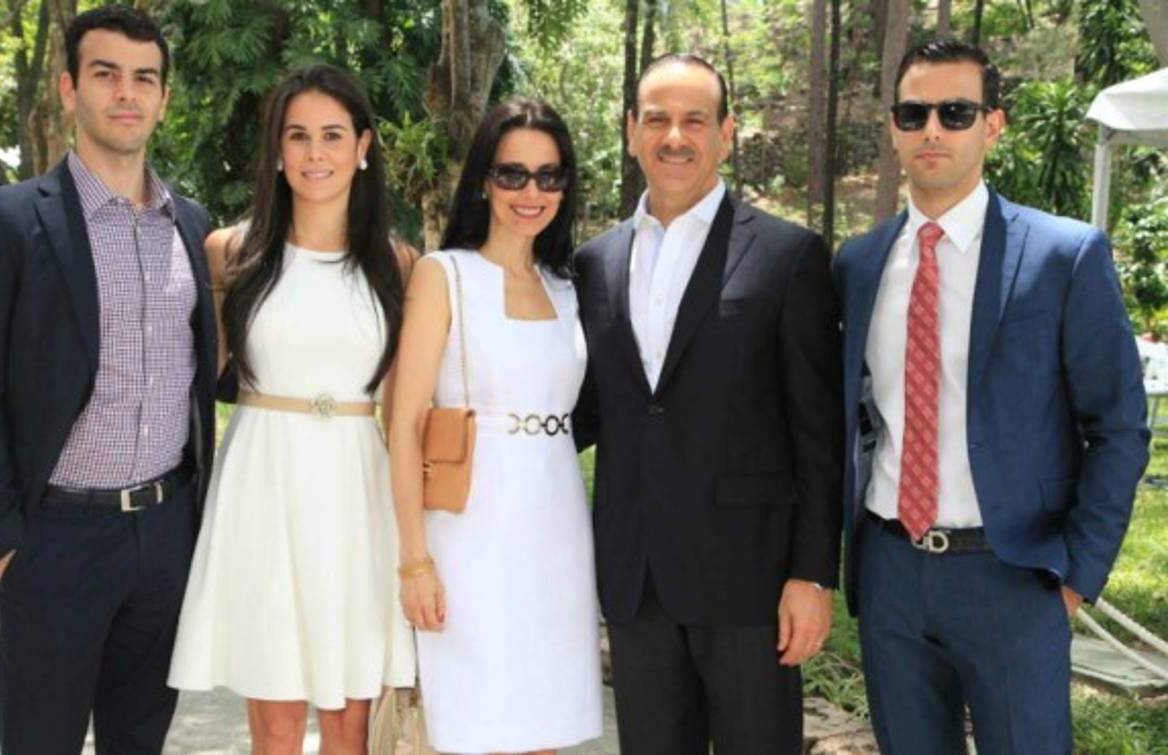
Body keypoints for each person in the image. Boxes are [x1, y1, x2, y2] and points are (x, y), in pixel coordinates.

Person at [835, 39, 1150, 754]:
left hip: (1014, 575)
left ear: (993, 125)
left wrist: (1076, 574)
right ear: (893, 126)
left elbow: (1120, 427)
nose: (933, 130)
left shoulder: (1063, 255)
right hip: (890, 574)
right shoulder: (858, 263)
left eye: (955, 111)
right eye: (914, 113)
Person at [0, 6, 216, 753]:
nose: (125, 93)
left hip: (165, 536)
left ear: (163, 97)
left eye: (143, 78)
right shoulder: (2, 221)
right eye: (106, 75)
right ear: (68, 88)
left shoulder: (192, 226)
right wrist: (6, 546)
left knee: (140, 743)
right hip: (53, 542)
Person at [572, 53, 843, 754]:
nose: (675, 136)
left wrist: (811, 572)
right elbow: (584, 411)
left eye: (695, 119)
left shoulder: (788, 256)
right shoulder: (594, 263)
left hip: (750, 583)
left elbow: (818, 430)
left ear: (726, 133)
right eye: (657, 119)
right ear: (632, 131)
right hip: (636, 577)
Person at [167, 64, 416, 753]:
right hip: (263, 485)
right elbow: (187, 381)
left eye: (333, 135)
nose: (315, 153)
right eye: (298, 135)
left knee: (350, 721)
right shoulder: (231, 250)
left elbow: (405, 411)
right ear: (277, 149)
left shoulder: (398, 264)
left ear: (363, 146)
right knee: (274, 720)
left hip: (359, 493)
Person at [389, 99, 603, 754]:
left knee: (546, 727)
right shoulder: (443, 275)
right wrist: (414, 561)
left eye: (548, 175)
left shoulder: (573, 286)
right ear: (483, 179)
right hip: (466, 534)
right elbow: (403, 426)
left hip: (557, 527)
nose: (530, 192)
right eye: (512, 174)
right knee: (474, 728)